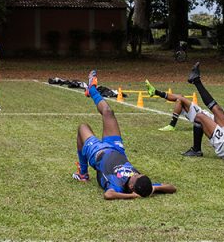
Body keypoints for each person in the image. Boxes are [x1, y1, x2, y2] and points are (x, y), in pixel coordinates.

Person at [73, 70, 176, 200]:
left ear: (131, 187)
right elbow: (172, 188)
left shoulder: (117, 185)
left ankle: (83, 174)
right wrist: (153, 188)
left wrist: (132, 196)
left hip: (98, 153)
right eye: (138, 174)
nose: (134, 174)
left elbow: (108, 195)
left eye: (135, 177)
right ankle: (92, 89)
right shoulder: (143, 183)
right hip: (117, 149)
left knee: (83, 127)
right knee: (108, 112)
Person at [145, 79, 224, 157]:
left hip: (208, 120)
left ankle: (171, 124)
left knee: (181, 99)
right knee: (180, 98)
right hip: (207, 116)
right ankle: (155, 92)